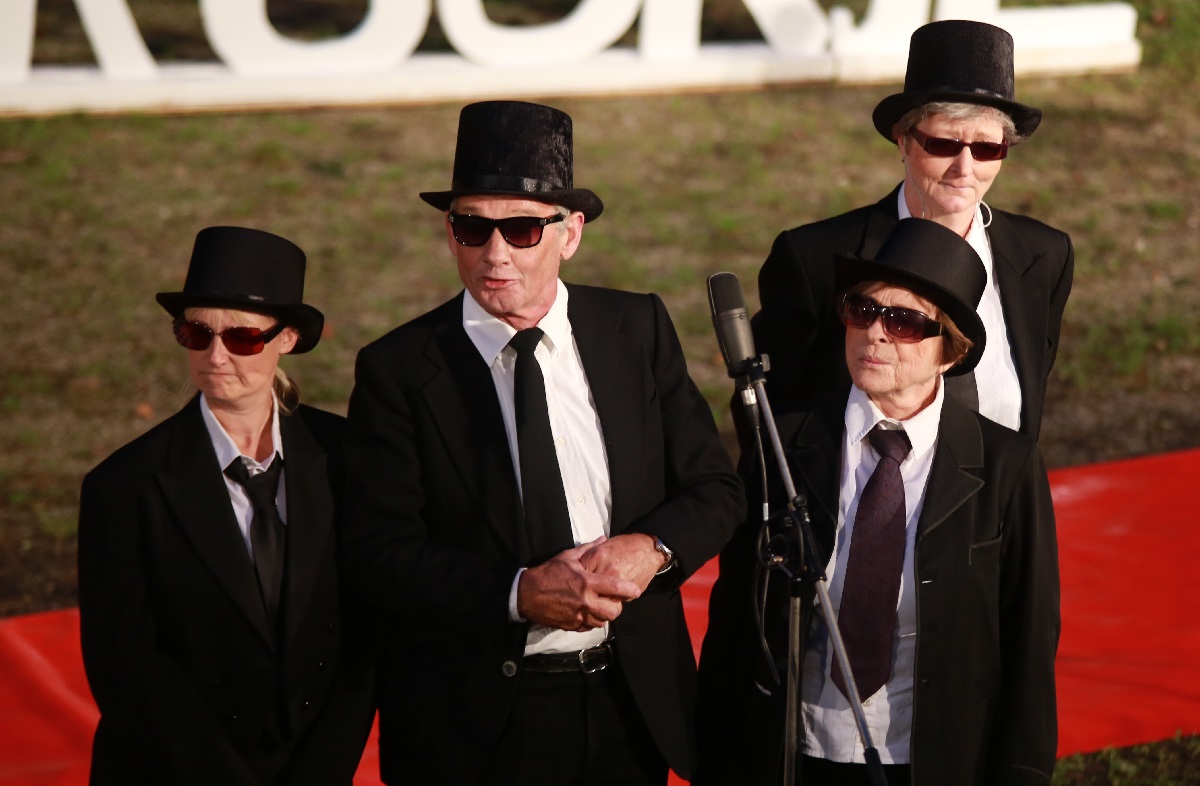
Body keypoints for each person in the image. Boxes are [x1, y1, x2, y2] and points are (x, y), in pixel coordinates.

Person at [339, 100, 745, 786]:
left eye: (522, 229)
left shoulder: (637, 328)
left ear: (570, 233)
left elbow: (715, 488)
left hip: (629, 704)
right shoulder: (399, 368)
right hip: (479, 724)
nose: (494, 254)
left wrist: (652, 549)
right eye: (473, 227)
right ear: (450, 232)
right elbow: (377, 552)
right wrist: (518, 593)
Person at [697, 219, 1060, 785]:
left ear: (949, 351)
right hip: (796, 754)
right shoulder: (782, 442)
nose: (875, 333)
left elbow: (1029, 638)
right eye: (861, 310)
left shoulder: (1005, 465)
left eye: (904, 321)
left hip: (934, 762)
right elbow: (736, 616)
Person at [78, 227, 376, 785]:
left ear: (287, 339)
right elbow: (126, 666)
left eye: (242, 338)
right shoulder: (122, 487)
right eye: (196, 334)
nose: (215, 356)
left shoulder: (346, 458)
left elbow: (366, 632)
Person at [753, 19, 1073, 440]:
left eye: (986, 148)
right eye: (943, 144)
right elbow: (772, 420)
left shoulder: (1043, 255)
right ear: (902, 140)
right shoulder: (814, 259)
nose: (964, 168)